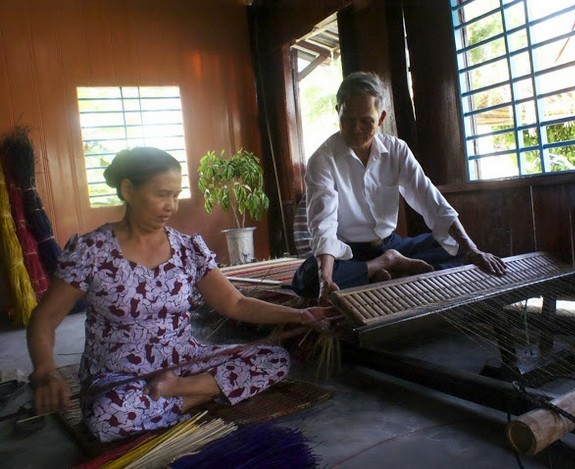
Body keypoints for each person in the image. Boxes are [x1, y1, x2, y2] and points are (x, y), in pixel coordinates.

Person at [26, 147, 333, 443]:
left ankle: (178, 391)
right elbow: (46, 316)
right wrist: (44, 370)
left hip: (184, 360)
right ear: (128, 189)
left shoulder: (187, 248)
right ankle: (202, 396)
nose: (171, 206)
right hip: (118, 373)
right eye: (162, 195)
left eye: (175, 195)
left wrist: (299, 315)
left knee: (273, 357)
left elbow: (234, 302)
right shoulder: (92, 251)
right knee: (108, 417)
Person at [292, 72, 506, 305]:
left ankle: (383, 269)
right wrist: (326, 279)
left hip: (392, 244)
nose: (355, 129)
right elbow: (324, 224)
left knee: (455, 249)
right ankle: (384, 266)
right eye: (347, 119)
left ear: (381, 118)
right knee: (308, 280)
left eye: (366, 121)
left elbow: (429, 199)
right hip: (347, 252)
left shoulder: (397, 151)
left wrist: (473, 249)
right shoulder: (323, 159)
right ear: (337, 112)